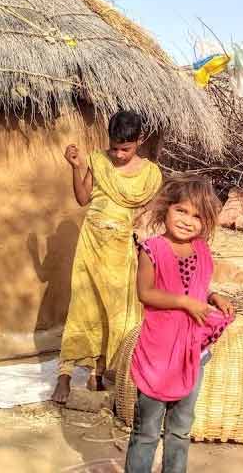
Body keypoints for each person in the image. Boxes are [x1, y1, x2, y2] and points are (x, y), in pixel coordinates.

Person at [50, 111, 163, 405]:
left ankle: (100, 372)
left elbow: (148, 215)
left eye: (126, 149)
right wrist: (76, 167)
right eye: (114, 148)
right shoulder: (99, 161)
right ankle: (64, 374)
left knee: (116, 311)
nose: (119, 155)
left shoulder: (150, 174)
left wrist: (142, 242)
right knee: (83, 306)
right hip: (91, 243)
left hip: (122, 248)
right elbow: (82, 198)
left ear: (140, 141)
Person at [125, 175, 235, 473]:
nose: (187, 220)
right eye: (181, 211)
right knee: (147, 431)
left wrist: (213, 296)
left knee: (181, 428)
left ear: (206, 222)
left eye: (197, 216)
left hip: (192, 353)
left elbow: (195, 287)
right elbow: (146, 292)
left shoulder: (201, 250)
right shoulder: (152, 249)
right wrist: (185, 303)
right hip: (159, 353)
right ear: (167, 209)